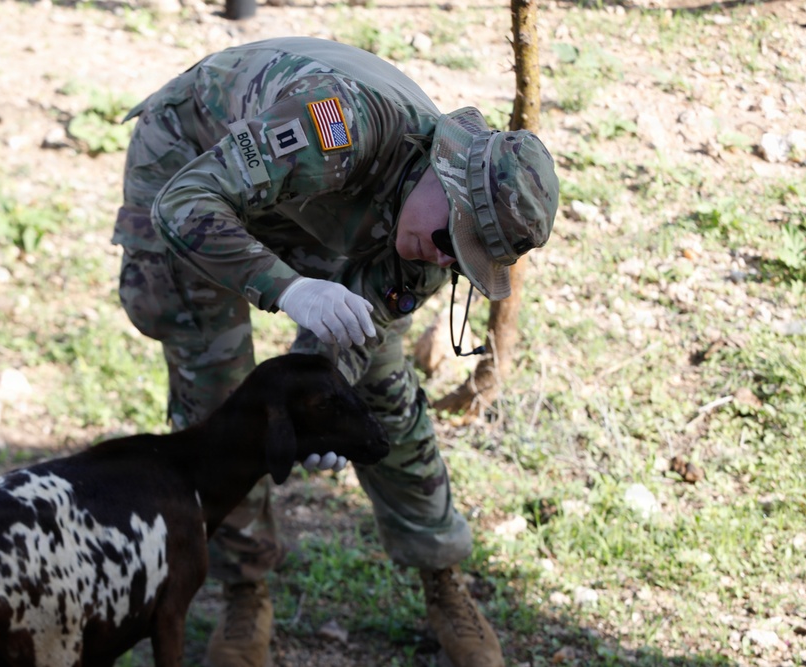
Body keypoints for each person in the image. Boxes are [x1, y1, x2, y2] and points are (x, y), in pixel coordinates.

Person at [113, 36, 559, 667]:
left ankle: (441, 577)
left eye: (462, 259)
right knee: (213, 383)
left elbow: (358, 332)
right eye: (450, 240)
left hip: (318, 202)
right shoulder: (338, 124)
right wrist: (288, 288)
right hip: (193, 160)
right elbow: (185, 204)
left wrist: (320, 401)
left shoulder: (433, 240)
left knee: (379, 390)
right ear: (444, 177)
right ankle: (245, 589)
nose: (444, 260)